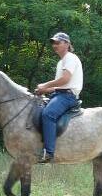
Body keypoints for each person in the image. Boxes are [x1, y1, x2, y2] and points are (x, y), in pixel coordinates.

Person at [33, 32, 83, 163]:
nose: (54, 45)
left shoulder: (70, 58)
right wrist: (42, 90)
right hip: (60, 94)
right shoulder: (61, 62)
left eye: (58, 42)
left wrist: (46, 84)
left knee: (48, 114)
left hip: (68, 96)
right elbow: (58, 86)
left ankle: (48, 153)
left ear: (67, 44)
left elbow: (65, 79)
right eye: (53, 43)